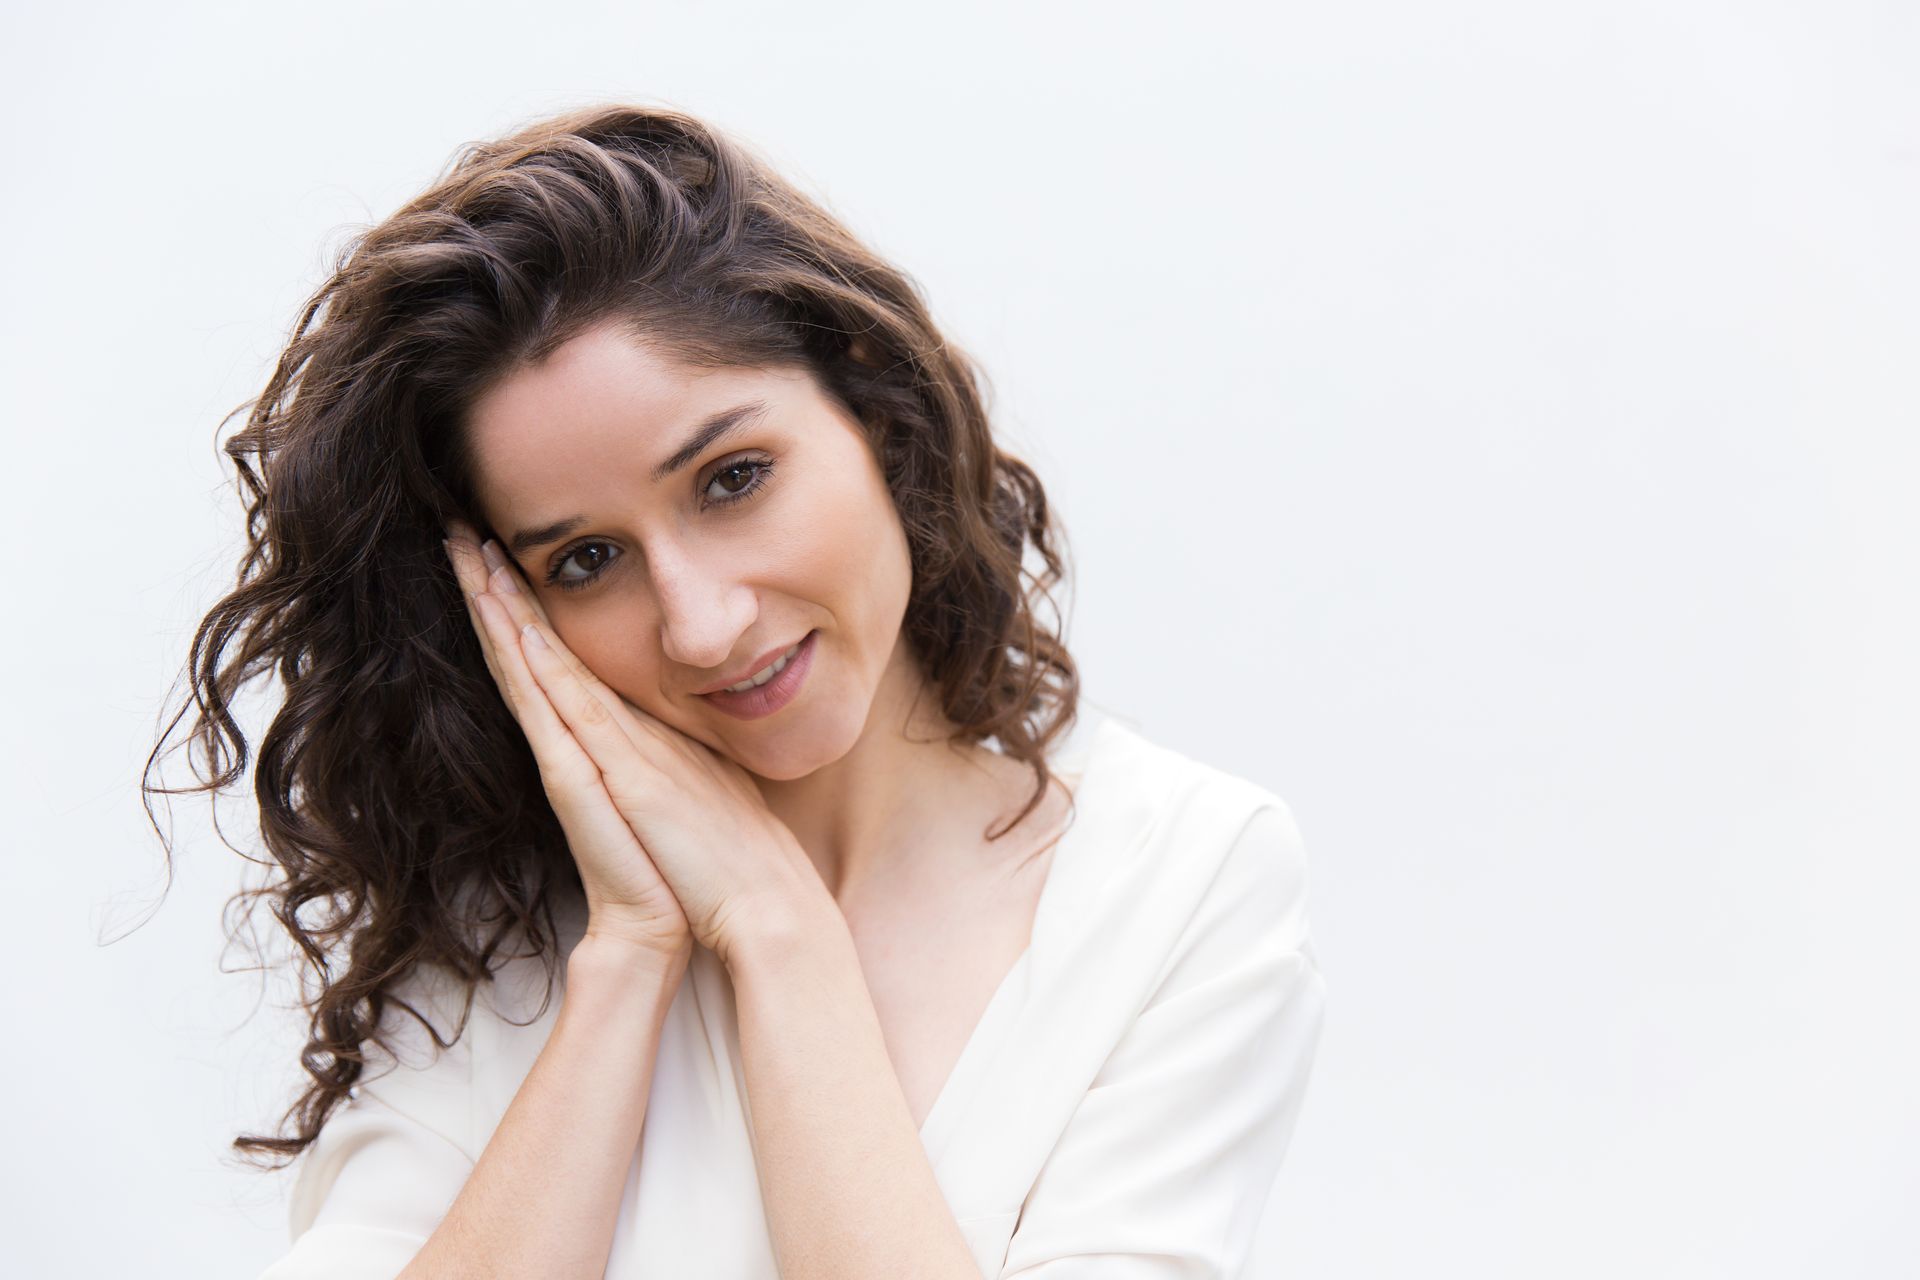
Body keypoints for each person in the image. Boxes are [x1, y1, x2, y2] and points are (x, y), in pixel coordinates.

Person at [151, 102, 1326, 1279]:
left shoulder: (1183, 876)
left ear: (872, 404)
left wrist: (779, 932)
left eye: (733, 478)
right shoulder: (496, 933)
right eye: (586, 560)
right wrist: (630, 959)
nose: (703, 623)